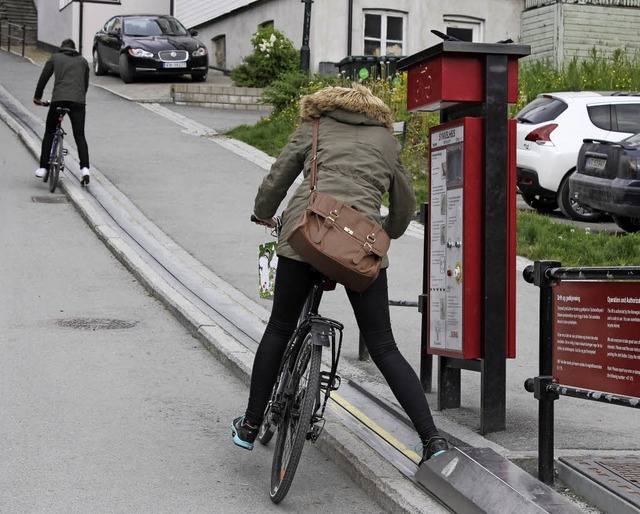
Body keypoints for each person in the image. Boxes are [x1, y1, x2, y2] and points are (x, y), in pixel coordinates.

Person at [231, 83, 449, 464]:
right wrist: (386, 230)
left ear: (326, 106)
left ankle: (249, 424)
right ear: (375, 112)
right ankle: (432, 440)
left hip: (304, 237)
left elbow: (278, 177)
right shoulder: (385, 140)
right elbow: (404, 205)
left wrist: (263, 211)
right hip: (359, 248)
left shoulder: (313, 127)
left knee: (280, 328)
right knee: (383, 346)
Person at [33, 38, 91, 186]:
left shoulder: (55, 58)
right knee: (79, 135)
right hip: (78, 102)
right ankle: (84, 169)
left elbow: (44, 77)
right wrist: (79, 98)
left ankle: (43, 168)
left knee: (50, 132)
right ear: (74, 48)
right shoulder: (83, 61)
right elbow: (85, 84)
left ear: (61, 48)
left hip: (58, 99)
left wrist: (37, 97)